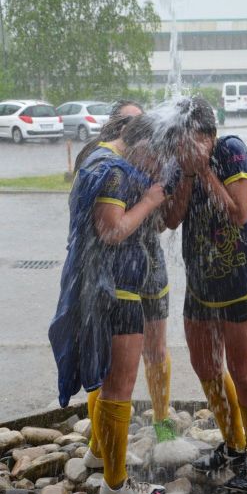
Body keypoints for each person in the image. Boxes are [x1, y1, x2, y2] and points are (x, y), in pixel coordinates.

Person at [49, 114, 168, 494]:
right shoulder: (115, 172)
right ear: (142, 146)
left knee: (108, 380)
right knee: (120, 386)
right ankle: (116, 485)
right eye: (157, 157)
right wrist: (150, 201)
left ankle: (100, 455)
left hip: (106, 288)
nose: (157, 168)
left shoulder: (100, 158)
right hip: (116, 293)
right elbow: (112, 229)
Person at [165, 96, 247, 493]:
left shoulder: (231, 151)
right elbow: (171, 219)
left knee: (244, 373)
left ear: (207, 135)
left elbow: (239, 212)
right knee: (205, 367)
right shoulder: (181, 166)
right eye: (176, 140)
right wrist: (188, 175)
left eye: (187, 139)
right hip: (201, 284)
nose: (181, 148)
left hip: (244, 282)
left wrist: (205, 172)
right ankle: (232, 446)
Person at [76, 100, 176, 445]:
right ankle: (100, 442)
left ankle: (163, 426)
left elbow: (164, 222)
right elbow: (104, 227)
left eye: (139, 122)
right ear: (116, 128)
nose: (132, 129)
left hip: (151, 266)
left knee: (156, 350)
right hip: (116, 274)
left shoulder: (147, 161)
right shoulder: (104, 161)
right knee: (113, 364)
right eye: (126, 123)